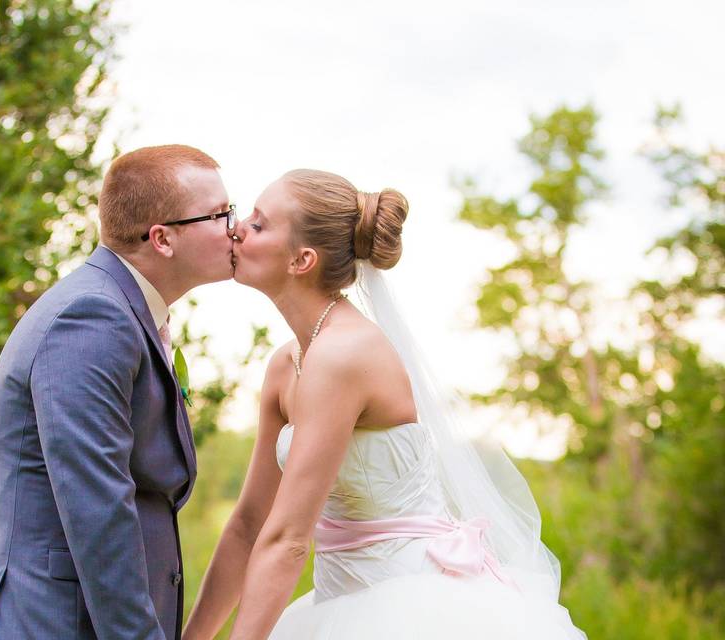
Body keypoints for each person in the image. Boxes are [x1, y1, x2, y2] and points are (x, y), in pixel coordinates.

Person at [183, 169, 586, 639]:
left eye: (257, 223)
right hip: (338, 604)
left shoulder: (343, 355)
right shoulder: (285, 364)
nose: (236, 228)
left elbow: (289, 540)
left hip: (411, 607)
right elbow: (250, 525)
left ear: (302, 260)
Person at [0, 145, 237, 640]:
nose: (234, 226)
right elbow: (98, 510)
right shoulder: (92, 317)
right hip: (48, 622)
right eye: (218, 214)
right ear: (163, 238)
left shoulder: (121, 310)